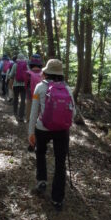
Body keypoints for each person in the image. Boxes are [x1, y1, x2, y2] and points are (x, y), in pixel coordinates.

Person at [28, 59, 76, 211]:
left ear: (47, 72)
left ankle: (42, 180)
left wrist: (31, 132)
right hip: (62, 131)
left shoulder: (40, 87)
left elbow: (34, 112)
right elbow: (72, 112)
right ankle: (57, 198)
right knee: (60, 162)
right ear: (60, 74)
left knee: (40, 152)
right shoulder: (67, 89)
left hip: (42, 128)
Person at [25, 54, 43, 123]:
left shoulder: (28, 73)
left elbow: (26, 84)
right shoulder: (42, 73)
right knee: (38, 105)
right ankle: (38, 119)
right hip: (39, 92)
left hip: (30, 91)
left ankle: (28, 119)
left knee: (29, 105)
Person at [9, 53, 27, 122]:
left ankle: (15, 112)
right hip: (24, 86)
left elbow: (11, 75)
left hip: (16, 85)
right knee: (23, 100)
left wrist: (11, 83)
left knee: (16, 98)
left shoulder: (15, 65)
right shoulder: (26, 65)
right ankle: (21, 116)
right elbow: (28, 75)